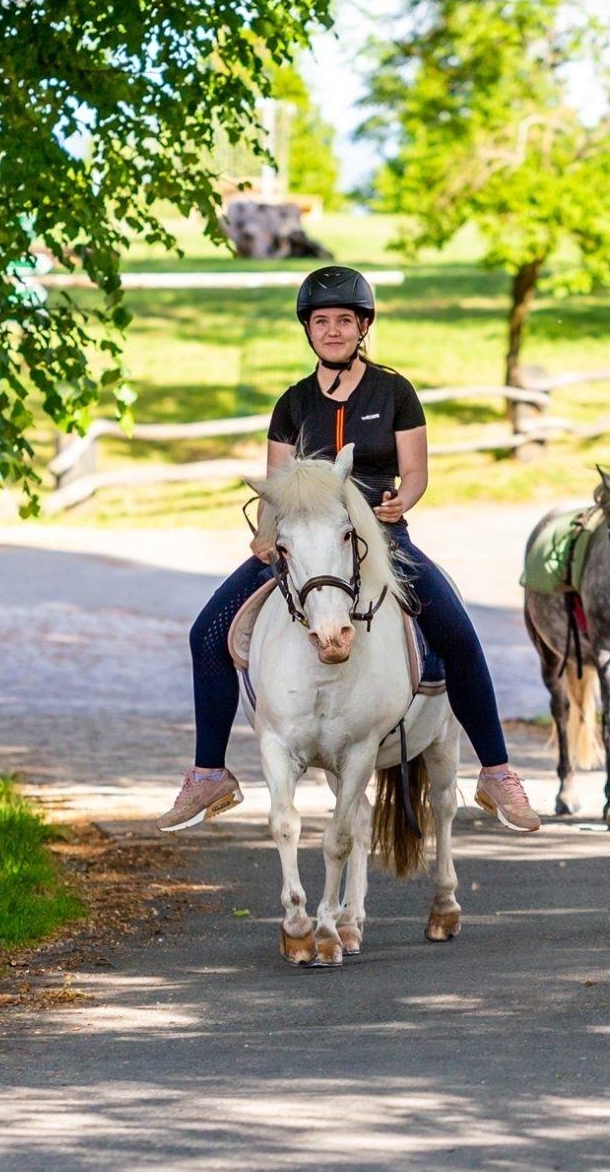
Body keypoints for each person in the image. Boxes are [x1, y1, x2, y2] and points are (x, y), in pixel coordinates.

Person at [157, 266, 542, 833]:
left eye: (344, 320)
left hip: (380, 537)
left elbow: (415, 471)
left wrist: (403, 500)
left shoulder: (395, 393)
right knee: (206, 634)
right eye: (321, 321)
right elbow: (278, 484)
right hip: (304, 542)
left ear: (363, 327)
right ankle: (209, 773)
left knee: (459, 633)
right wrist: (267, 532)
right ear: (307, 329)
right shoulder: (292, 403)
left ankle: (497, 772)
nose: (332, 330)